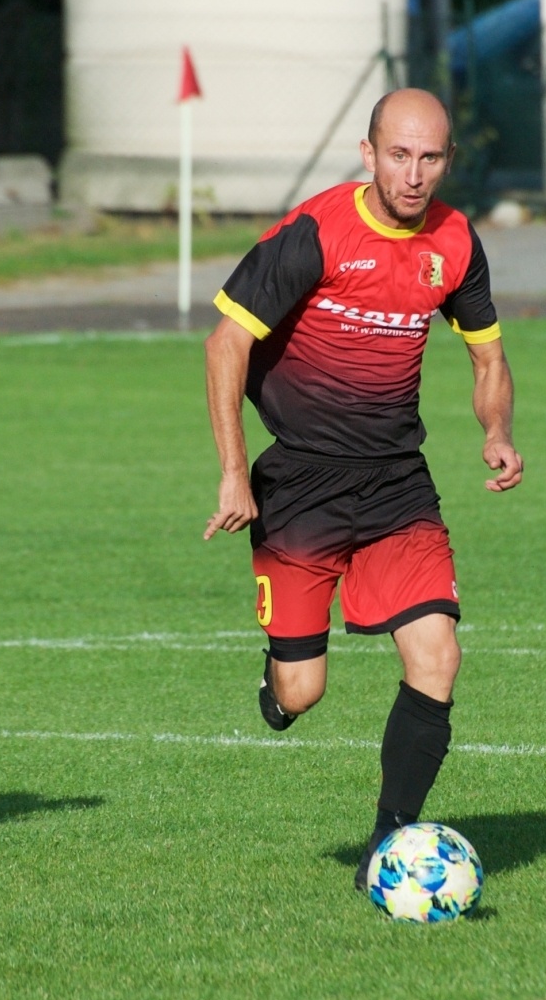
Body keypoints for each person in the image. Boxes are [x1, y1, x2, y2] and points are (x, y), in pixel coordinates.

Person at [203, 87, 523, 890]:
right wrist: (235, 472)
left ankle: (391, 841)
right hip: (301, 482)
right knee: (302, 691)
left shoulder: (454, 241)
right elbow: (224, 346)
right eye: (399, 155)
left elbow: (487, 355)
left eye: (431, 158)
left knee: (437, 655)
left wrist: (495, 431)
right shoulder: (315, 232)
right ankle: (278, 689)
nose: (414, 174)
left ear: (448, 160)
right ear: (368, 153)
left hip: (395, 485)